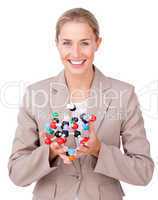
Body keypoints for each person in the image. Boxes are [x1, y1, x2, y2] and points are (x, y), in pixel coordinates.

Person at [8, 7, 154, 200]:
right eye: (67, 43)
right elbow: (17, 174)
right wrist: (50, 151)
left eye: (84, 43)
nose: (75, 53)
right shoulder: (35, 95)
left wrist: (99, 150)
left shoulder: (124, 94)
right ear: (57, 45)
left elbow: (143, 172)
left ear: (97, 43)